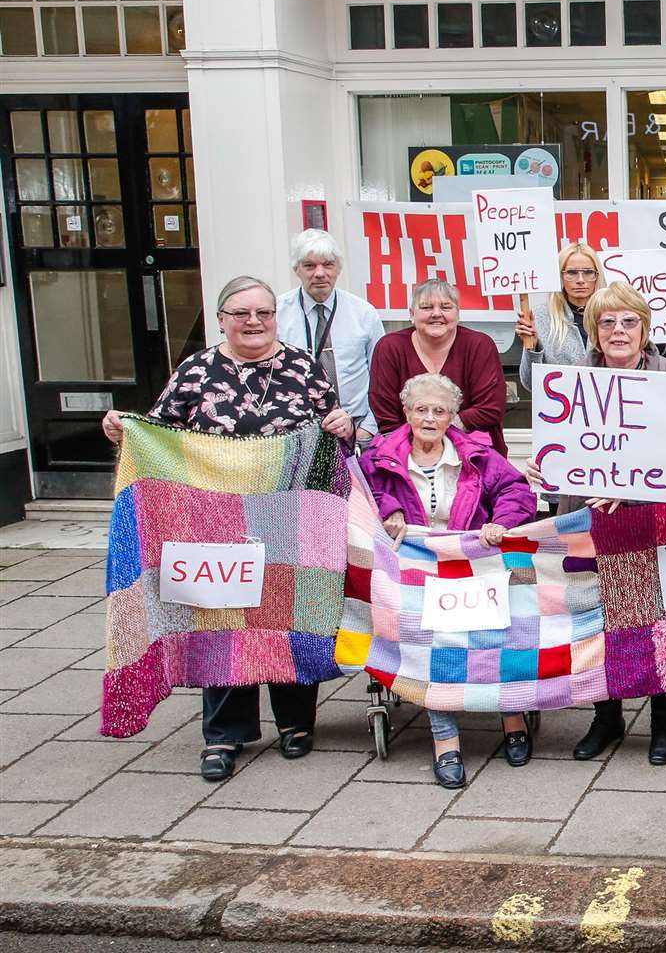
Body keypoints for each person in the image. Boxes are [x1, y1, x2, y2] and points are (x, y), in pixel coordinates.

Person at [101, 276, 355, 782]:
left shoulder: (303, 367)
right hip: (215, 520)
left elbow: (336, 428)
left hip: (289, 516)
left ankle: (295, 723)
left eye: (263, 312)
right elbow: (160, 431)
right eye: (241, 313)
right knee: (222, 618)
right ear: (222, 319)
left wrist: (344, 427)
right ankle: (224, 734)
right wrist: (124, 431)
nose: (254, 321)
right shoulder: (197, 370)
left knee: (291, 613)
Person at [526, 283, 666, 765]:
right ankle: (605, 718)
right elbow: (557, 450)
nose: (618, 331)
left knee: (661, 621)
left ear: (645, 328)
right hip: (588, 521)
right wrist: (542, 465)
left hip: (655, 523)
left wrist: (628, 487)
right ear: (594, 330)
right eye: (607, 322)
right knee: (597, 618)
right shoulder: (570, 381)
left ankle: (664, 723)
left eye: (628, 321)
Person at [359, 372, 538, 789]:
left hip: (472, 567)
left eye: (439, 411)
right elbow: (362, 491)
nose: (428, 417)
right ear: (406, 413)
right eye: (420, 409)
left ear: (452, 416)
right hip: (414, 574)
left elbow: (517, 492)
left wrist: (501, 521)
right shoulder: (381, 456)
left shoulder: (477, 453)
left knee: (499, 631)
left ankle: (512, 720)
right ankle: (446, 740)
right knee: (434, 644)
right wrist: (389, 510)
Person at [370, 279, 508, 455]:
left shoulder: (480, 345)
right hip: (407, 456)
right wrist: (421, 446)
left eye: (445, 307)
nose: (436, 313)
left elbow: (491, 409)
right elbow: (386, 417)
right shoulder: (390, 348)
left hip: (477, 456)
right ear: (411, 314)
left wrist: (437, 431)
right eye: (427, 307)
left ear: (458, 314)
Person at [276, 229, 382, 446]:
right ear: (297, 269)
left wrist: (367, 430)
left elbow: (382, 376)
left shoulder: (363, 313)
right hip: (298, 433)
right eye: (310, 266)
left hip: (356, 430)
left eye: (328, 265)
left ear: (338, 269)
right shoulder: (276, 313)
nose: (320, 273)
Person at [516, 242, 605, 394]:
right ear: (560, 276)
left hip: (607, 407)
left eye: (589, 272)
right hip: (562, 410)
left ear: (597, 276)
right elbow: (530, 384)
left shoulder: (612, 314)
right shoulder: (540, 317)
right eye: (571, 272)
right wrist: (532, 346)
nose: (580, 280)